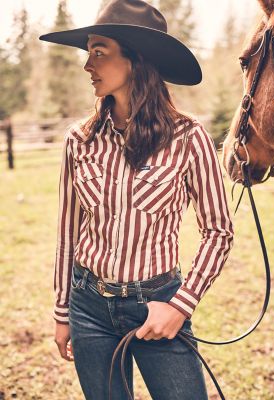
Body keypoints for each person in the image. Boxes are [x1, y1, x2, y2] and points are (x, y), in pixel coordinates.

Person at [40, 0, 234, 399]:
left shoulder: (188, 137)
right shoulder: (80, 140)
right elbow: (67, 234)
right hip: (88, 305)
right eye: (88, 52)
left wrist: (180, 306)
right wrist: (63, 313)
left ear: (136, 60)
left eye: (99, 51)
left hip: (158, 302)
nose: (87, 65)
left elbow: (219, 232)